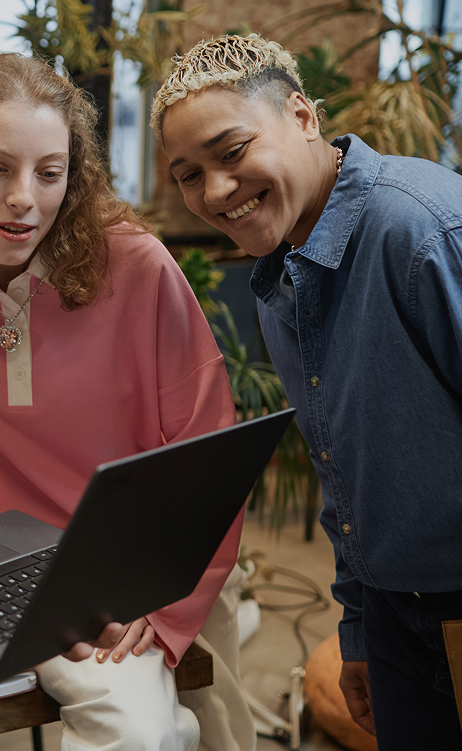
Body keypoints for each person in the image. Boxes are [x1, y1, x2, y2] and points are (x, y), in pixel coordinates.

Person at [0, 52, 252, 751]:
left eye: (49, 174)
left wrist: (166, 603)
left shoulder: (137, 266)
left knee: (143, 733)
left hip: (111, 579)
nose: (25, 197)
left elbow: (209, 454)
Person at [153, 33, 462, 749]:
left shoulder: (425, 233)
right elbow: (342, 471)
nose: (217, 191)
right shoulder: (281, 277)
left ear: (301, 116)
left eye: (232, 152)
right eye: (189, 174)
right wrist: (358, 627)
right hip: (394, 615)